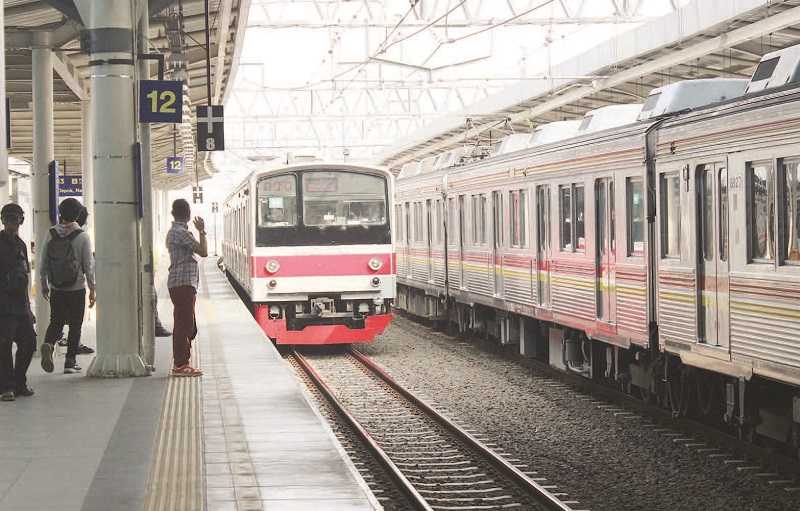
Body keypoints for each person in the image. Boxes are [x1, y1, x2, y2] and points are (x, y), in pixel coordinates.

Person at [39, 198, 95, 374]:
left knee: (56, 321)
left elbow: (43, 262)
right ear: (78, 215)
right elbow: (88, 266)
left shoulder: (50, 233)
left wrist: (44, 284)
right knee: (75, 324)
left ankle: (49, 343)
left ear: (60, 213)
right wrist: (93, 289)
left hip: (57, 287)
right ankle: (70, 362)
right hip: (76, 288)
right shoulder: (83, 236)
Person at [166, 199, 207, 377]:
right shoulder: (181, 232)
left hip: (179, 283)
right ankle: (181, 364)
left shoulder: (174, 232)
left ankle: (182, 361)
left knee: (185, 322)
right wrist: (202, 231)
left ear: (173, 213)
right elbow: (203, 251)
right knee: (184, 324)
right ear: (189, 214)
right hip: (183, 283)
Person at [0, 203, 35, 401]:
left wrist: (29, 308)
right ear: (3, 220)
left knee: (29, 343)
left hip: (21, 305)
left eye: (16, 219)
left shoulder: (21, 245)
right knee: (4, 347)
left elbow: (25, 277)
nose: (13, 223)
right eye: (9, 219)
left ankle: (19, 381)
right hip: (3, 306)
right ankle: (6, 387)